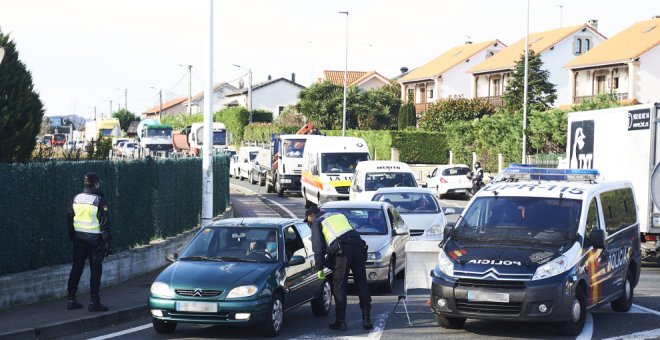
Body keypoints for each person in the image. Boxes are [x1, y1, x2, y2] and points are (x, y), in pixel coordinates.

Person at [306, 206, 372, 331]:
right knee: (361, 283)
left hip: (343, 252)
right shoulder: (338, 215)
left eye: (308, 220)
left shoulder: (317, 222)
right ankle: (367, 318)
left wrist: (319, 268)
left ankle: (341, 321)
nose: (309, 222)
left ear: (311, 216)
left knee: (339, 285)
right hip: (358, 247)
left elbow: (318, 248)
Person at [66, 172, 112, 312]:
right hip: (95, 241)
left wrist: (73, 237)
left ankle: (71, 300)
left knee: (76, 269)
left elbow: (69, 220)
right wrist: (107, 243)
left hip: (79, 240)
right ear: (96, 184)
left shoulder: (75, 199)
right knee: (95, 270)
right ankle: (94, 302)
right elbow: (105, 224)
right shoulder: (99, 201)